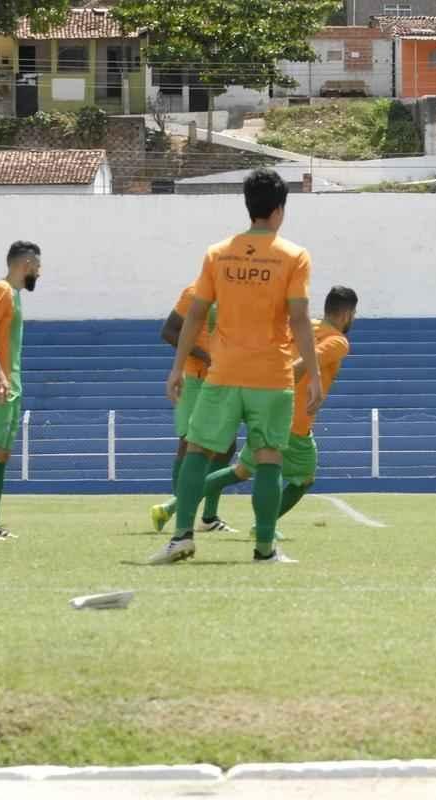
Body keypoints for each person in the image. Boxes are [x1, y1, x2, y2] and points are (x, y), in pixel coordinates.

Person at [148, 168, 322, 565]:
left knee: (197, 451)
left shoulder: (218, 253)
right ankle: (264, 548)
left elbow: (193, 316)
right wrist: (311, 371)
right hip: (272, 376)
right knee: (268, 458)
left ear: (248, 207)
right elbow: (298, 318)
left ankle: (182, 537)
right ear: (279, 210)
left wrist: (176, 368)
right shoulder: (294, 256)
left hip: (223, 373)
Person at [199, 286, 357, 531]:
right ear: (347, 314)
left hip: (266, 408)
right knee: (303, 479)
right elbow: (306, 362)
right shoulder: (338, 341)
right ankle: (264, 527)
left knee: (241, 471)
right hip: (294, 421)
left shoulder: (305, 327)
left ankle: (173, 505)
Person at [149, 284, 238, 534]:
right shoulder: (194, 293)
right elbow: (168, 331)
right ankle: (178, 514)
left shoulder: (236, 291)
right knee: (189, 443)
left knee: (226, 446)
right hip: (197, 378)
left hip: (223, 378)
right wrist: (204, 355)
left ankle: (203, 516)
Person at [0, 241, 42, 540]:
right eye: (37, 267)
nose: (39, 273)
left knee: (2, 454)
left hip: (11, 385)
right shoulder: (0, 290)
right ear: (24, 264)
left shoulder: (14, 295)